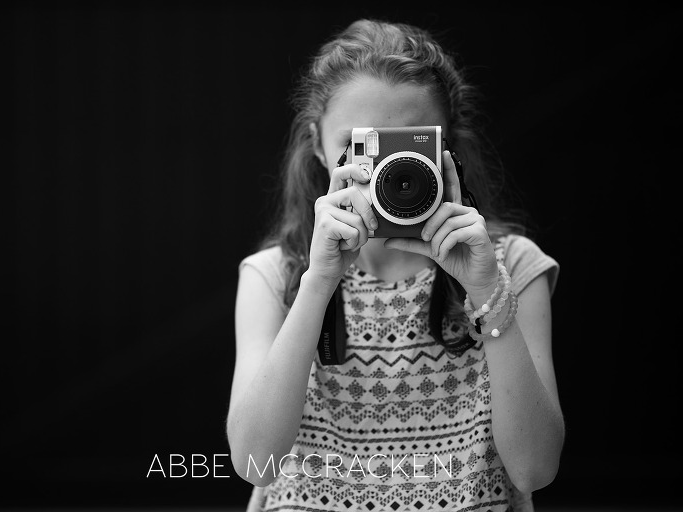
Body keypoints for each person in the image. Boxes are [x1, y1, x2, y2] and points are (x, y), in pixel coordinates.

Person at [227, 18, 564, 512]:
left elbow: (534, 469)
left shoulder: (509, 265)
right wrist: (318, 283)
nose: (387, 172)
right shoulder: (275, 276)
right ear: (317, 145)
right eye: (360, 148)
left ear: (446, 149)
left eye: (407, 148)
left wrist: (488, 292)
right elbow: (255, 461)